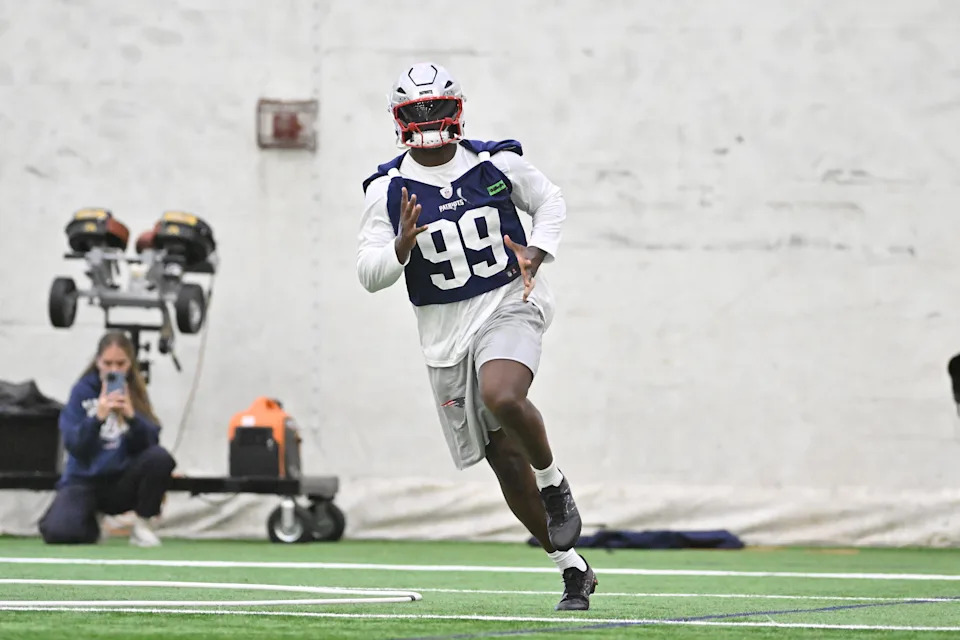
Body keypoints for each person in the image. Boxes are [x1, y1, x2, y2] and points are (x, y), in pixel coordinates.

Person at [357, 62, 597, 611]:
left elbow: (551, 201)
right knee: (503, 459)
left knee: (503, 394)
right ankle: (571, 567)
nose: (429, 119)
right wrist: (400, 246)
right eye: (417, 112)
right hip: (445, 336)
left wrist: (538, 249)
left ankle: (556, 484)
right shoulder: (388, 189)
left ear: (457, 110)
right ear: (399, 121)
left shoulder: (495, 162)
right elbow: (368, 274)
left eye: (437, 107)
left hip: (510, 303)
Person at [39, 331, 176, 546]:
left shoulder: (135, 392)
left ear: (130, 364)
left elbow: (151, 444)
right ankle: (90, 523)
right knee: (59, 532)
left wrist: (132, 418)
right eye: (108, 363)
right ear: (97, 362)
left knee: (160, 458)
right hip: (85, 482)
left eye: (121, 364)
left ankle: (143, 523)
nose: (114, 370)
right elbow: (74, 445)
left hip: (121, 480)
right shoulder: (82, 392)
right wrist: (97, 418)